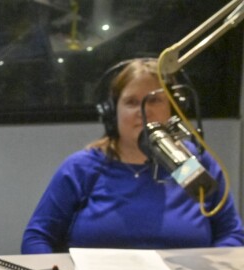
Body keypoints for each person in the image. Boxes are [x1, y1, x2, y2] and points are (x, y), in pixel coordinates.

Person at [21, 58, 244, 253]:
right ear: (111, 112)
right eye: (131, 102)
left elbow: (232, 234)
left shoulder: (194, 163)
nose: (143, 111)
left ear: (173, 109)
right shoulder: (82, 168)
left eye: (154, 100)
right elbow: (37, 237)